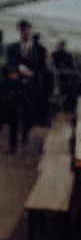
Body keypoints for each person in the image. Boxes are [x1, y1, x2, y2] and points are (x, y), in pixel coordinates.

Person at [5, 20, 50, 152]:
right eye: (22, 30)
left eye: (27, 29)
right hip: (15, 87)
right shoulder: (12, 47)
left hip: (30, 88)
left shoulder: (40, 49)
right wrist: (15, 70)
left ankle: (25, 134)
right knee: (13, 114)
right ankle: (12, 143)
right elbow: (8, 65)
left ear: (31, 30)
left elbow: (42, 70)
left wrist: (32, 74)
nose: (25, 32)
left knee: (28, 114)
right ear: (20, 31)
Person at [52, 40, 78, 113]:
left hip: (66, 79)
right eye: (60, 45)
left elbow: (71, 66)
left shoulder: (68, 56)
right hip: (57, 77)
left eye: (63, 46)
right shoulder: (55, 54)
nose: (61, 47)